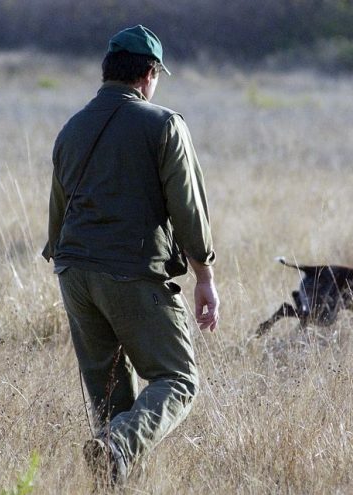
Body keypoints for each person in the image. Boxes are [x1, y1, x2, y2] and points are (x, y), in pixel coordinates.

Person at [42, 25, 219, 485]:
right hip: (130, 272)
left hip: (74, 274)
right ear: (148, 74)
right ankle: (117, 446)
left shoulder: (71, 129)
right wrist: (204, 276)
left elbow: (56, 218)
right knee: (178, 380)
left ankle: (111, 468)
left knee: (109, 397)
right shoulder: (164, 124)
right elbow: (189, 209)